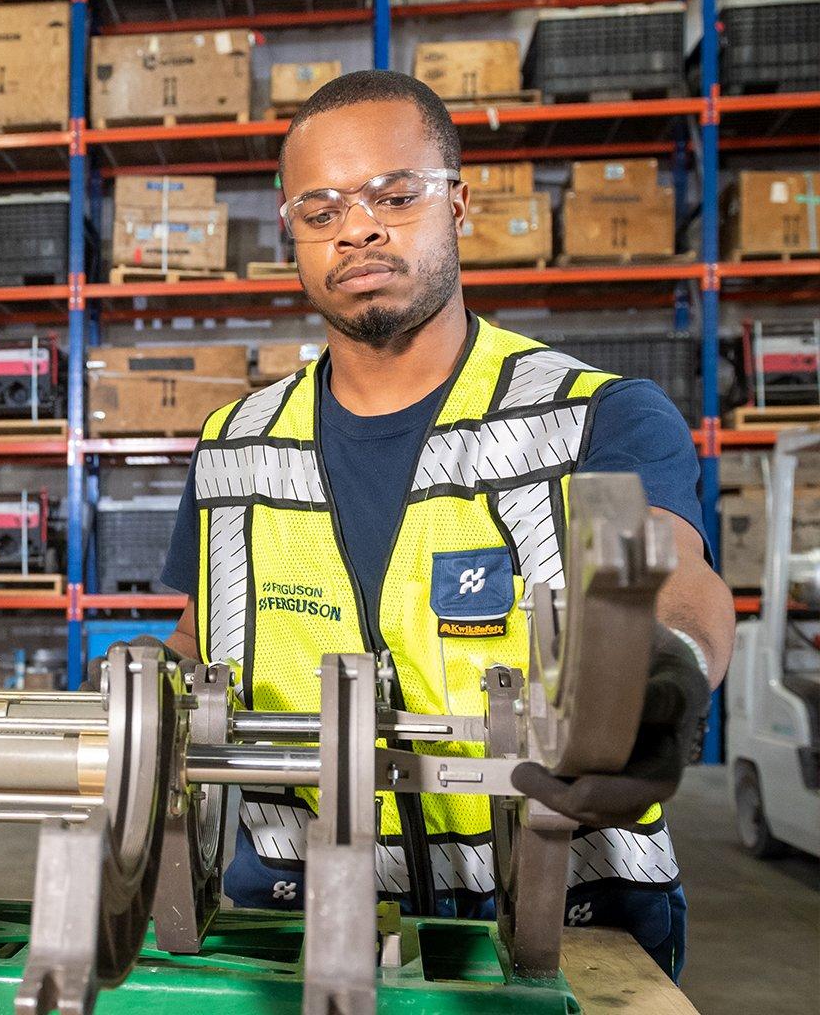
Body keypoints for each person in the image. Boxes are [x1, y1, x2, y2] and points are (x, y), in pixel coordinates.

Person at [158, 70, 728, 979]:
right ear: (291, 231)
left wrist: (667, 670)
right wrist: (149, 716)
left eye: (394, 194)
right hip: (292, 909)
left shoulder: (596, 414)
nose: (358, 226)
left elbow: (668, 576)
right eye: (322, 208)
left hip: (567, 900)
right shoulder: (236, 442)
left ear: (458, 202)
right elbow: (203, 630)